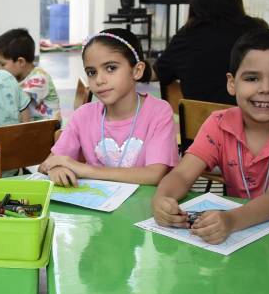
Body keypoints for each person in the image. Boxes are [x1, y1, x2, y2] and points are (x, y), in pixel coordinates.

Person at [152, 28, 269, 268]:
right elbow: (181, 173)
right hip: (247, 241)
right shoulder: (218, 124)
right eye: (252, 78)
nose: (265, 88)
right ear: (232, 83)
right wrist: (162, 198)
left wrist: (230, 221)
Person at [40, 29, 177, 186]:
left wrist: (83, 169)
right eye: (91, 72)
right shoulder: (83, 116)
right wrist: (55, 168)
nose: (99, 80)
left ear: (137, 71)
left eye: (111, 68)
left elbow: (154, 175)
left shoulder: (159, 112)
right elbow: (49, 163)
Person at [155, 0, 268, 105]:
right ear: (235, 0)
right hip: (249, 120)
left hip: (198, 123)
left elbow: (159, 73)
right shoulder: (256, 30)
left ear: (196, 3)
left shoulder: (186, 36)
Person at [0, 28, 62, 122]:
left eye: (2, 64)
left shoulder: (40, 79)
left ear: (21, 62)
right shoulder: (18, 77)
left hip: (47, 130)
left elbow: (12, 99)